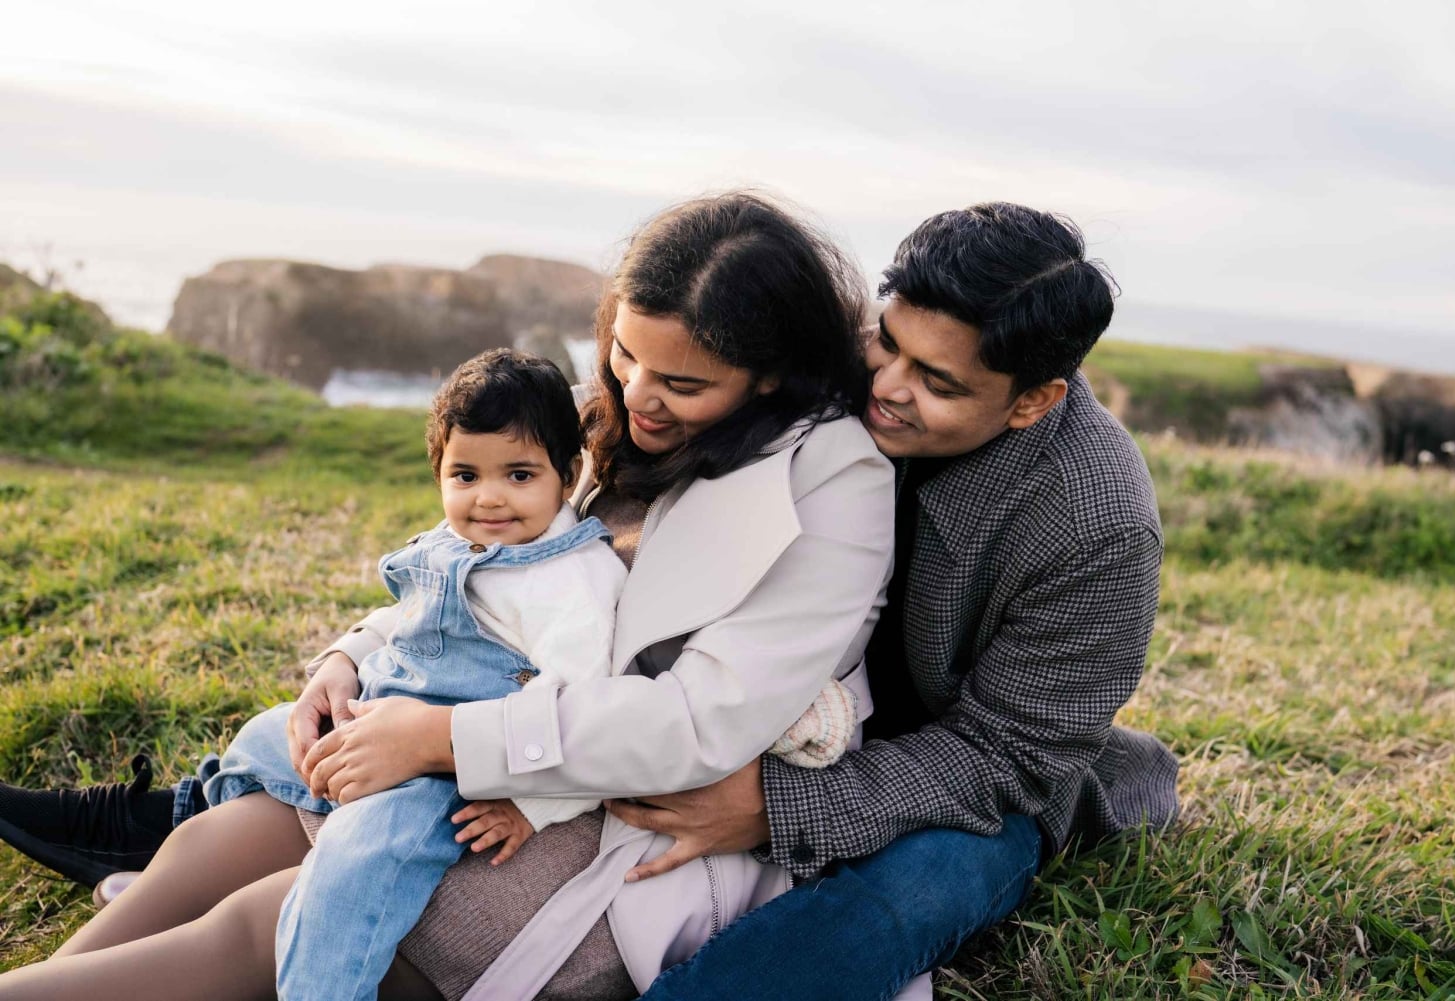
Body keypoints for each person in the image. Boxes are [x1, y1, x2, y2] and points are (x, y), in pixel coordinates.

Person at [0, 191, 893, 1000]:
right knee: (218, 840)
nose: (636, 394)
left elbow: (699, 722)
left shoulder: (832, 481)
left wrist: (438, 741)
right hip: (460, 731)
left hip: (608, 817)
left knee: (275, 921)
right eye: (623, 353)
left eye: (682, 383)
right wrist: (346, 658)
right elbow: (476, 567)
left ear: (771, 373)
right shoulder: (603, 414)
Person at [603, 202, 1180, 1000]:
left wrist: (778, 806)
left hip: (961, 768)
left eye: (937, 382)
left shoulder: (1099, 526)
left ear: (1033, 401)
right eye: (889, 340)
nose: (885, 385)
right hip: (770, 696)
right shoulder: (826, 359)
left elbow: (1008, 755)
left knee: (908, 891)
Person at [203, 347, 628, 1000]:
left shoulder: (574, 578)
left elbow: (578, 711)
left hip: (445, 764)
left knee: (354, 868)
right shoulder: (463, 538)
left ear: (566, 474)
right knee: (261, 741)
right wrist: (344, 661)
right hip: (377, 710)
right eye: (464, 475)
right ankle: (185, 842)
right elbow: (415, 615)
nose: (488, 497)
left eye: (518, 474)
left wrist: (530, 802)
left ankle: (321, 985)